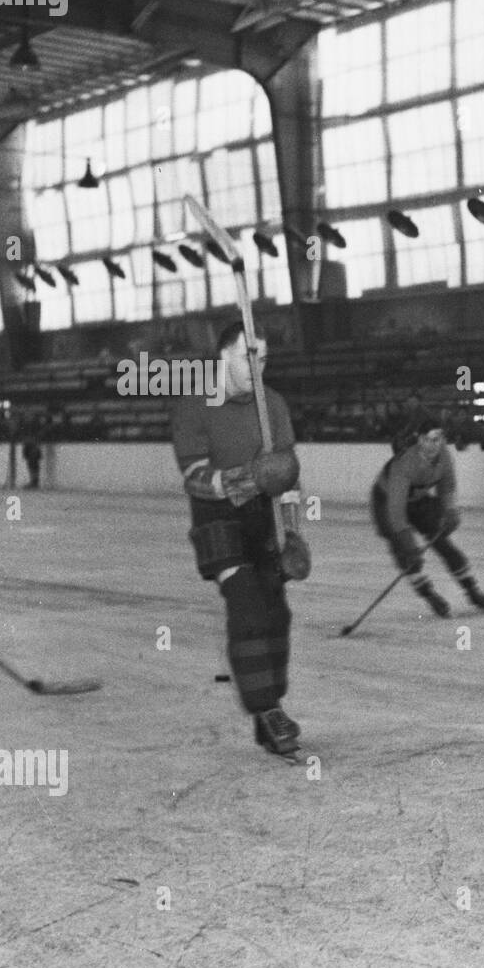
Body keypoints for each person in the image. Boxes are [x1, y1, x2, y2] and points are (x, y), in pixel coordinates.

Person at [171, 321, 309, 758]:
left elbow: (288, 475)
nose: (257, 366)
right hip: (217, 520)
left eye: (263, 357)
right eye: (248, 355)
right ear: (222, 357)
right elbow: (194, 478)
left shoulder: (274, 405)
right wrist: (246, 477)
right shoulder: (195, 402)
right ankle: (265, 709)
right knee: (247, 602)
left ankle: (273, 704)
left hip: (262, 518)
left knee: (276, 611)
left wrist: (291, 532)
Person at [371, 415, 484, 619]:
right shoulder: (405, 464)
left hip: (418, 500)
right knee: (405, 554)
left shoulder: (445, 457)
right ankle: (429, 595)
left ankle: (472, 590)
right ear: (419, 440)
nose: (432, 446)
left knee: (442, 542)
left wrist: (449, 510)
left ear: (443, 439)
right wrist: (407, 543)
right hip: (385, 502)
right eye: (427, 440)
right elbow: (396, 512)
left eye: (437, 440)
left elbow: (446, 486)